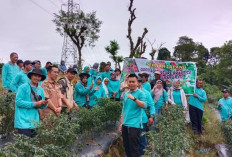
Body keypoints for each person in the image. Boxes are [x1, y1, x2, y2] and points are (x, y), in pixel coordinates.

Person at [119, 73, 147, 157]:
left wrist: (134, 99)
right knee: (126, 147)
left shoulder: (140, 93)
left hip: (135, 125)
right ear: (127, 82)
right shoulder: (126, 94)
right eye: (129, 81)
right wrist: (121, 123)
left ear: (137, 83)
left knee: (134, 148)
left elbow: (144, 105)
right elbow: (124, 109)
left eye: (133, 82)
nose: (131, 83)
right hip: (125, 124)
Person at [14, 68, 48, 138]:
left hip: (34, 122)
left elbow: (40, 105)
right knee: (24, 146)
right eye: (35, 75)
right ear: (31, 76)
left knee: (33, 146)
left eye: (39, 76)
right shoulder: (23, 87)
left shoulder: (40, 89)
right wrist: (35, 104)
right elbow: (18, 102)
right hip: (23, 122)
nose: (37, 78)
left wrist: (44, 104)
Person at [138, 76, 155, 156]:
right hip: (130, 121)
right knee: (131, 141)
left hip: (142, 120)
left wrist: (151, 116)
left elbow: (151, 105)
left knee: (142, 140)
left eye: (137, 82)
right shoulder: (128, 93)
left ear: (140, 83)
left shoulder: (146, 93)